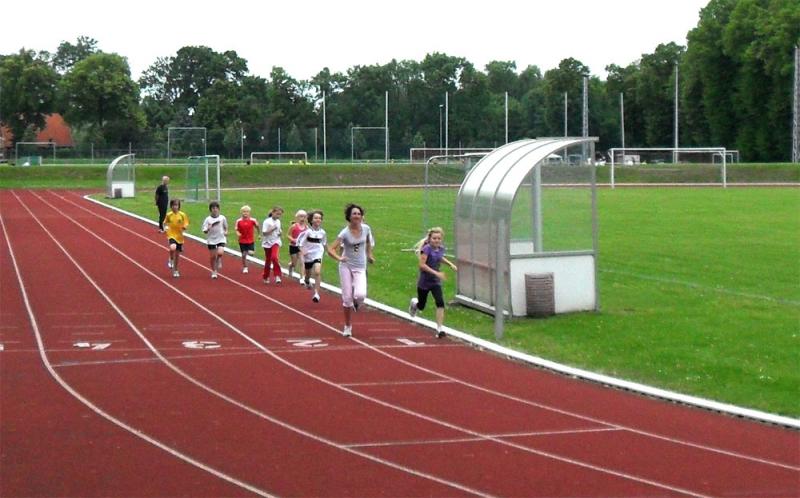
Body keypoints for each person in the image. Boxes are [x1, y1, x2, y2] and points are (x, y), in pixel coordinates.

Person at [327, 204, 375, 337]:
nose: (357, 216)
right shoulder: (344, 233)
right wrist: (339, 258)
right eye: (354, 214)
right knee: (347, 298)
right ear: (349, 216)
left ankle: (356, 303)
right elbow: (331, 249)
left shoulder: (366, 229)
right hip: (346, 266)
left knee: (361, 295)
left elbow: (368, 242)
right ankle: (348, 326)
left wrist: (369, 254)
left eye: (359, 214)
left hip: (360, 266)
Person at [408, 227, 458, 338]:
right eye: (434, 238)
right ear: (430, 239)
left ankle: (439, 328)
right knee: (421, 306)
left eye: (439, 238)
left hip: (435, 282)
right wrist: (436, 273)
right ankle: (414, 304)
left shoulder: (441, 249)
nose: (437, 240)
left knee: (440, 303)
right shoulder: (426, 249)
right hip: (424, 282)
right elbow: (422, 265)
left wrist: (450, 264)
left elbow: (440, 258)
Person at [297, 210, 327, 303]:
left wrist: (328, 251)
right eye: (316, 218)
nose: (318, 220)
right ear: (311, 220)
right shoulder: (307, 232)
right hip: (308, 255)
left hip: (318, 253)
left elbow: (324, 243)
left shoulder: (323, 232)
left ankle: (316, 294)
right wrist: (303, 251)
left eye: (319, 218)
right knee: (308, 275)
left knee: (317, 272)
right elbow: (300, 244)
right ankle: (307, 280)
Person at [202, 201, 228, 279]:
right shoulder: (207, 219)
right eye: (213, 208)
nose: (215, 210)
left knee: (220, 252)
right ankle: (214, 271)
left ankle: (219, 259)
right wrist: (208, 228)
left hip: (221, 238)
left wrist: (226, 232)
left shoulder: (222, 218)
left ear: (219, 209)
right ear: (210, 210)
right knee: (213, 256)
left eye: (216, 208)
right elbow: (204, 231)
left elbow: (226, 227)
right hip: (211, 240)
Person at [163, 198, 189, 278]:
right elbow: (165, 223)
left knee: (177, 255)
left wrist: (184, 227)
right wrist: (165, 228)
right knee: (172, 247)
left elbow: (186, 223)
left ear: (179, 206)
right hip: (171, 234)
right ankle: (171, 258)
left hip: (179, 236)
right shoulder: (169, 215)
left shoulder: (182, 215)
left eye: (176, 205)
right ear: (171, 206)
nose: (175, 207)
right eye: (173, 205)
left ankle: (176, 270)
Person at [261, 206, 284, 284]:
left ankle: (277, 275)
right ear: (273, 213)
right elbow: (264, 233)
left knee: (274, 257)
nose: (278, 216)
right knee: (268, 260)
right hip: (267, 243)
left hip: (275, 242)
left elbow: (279, 231)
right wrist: (272, 229)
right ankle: (265, 276)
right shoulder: (267, 222)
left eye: (280, 215)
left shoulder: (278, 221)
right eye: (277, 214)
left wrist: (280, 233)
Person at [235, 205, 258, 274]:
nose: (245, 213)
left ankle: (248, 251)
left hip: (250, 240)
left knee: (251, 253)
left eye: (247, 212)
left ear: (249, 213)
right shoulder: (238, 221)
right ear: (241, 212)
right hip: (242, 241)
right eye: (244, 212)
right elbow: (236, 229)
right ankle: (245, 267)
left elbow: (257, 227)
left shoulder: (253, 220)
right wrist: (238, 233)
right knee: (244, 255)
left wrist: (259, 234)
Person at [287, 209, 308, 281]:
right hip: (293, 246)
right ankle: (290, 266)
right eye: (301, 216)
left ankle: (302, 278)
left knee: (302, 262)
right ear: (297, 217)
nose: (303, 218)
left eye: (304, 217)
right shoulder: (294, 226)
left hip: (301, 247)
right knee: (294, 263)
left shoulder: (306, 228)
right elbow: (288, 235)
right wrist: (293, 240)